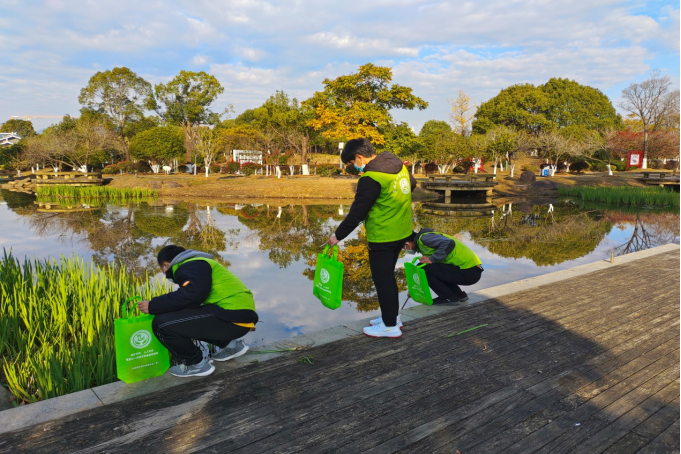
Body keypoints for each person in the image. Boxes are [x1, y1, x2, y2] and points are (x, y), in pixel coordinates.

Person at [327, 138, 416, 338]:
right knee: (389, 277)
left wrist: (337, 237)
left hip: (383, 236)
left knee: (382, 280)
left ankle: (389, 327)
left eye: (352, 164)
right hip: (401, 232)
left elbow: (357, 213)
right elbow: (412, 184)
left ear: (359, 157)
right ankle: (392, 317)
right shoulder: (399, 167)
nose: (355, 168)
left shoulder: (371, 178)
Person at [138, 245, 258, 378]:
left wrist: (153, 305)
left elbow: (193, 293)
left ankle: (196, 365)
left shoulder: (190, 264)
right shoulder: (199, 263)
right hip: (236, 317)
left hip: (230, 318)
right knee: (185, 317)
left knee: (161, 324)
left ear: (166, 265)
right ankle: (232, 345)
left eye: (162, 269)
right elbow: (192, 299)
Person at [403, 228, 483, 304]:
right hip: (470, 272)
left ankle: (448, 297)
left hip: (469, 271)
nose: (405, 249)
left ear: (407, 243)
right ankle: (459, 295)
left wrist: (432, 259)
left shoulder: (424, 238)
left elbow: (448, 243)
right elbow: (436, 269)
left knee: (424, 268)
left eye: (404, 247)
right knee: (426, 267)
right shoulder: (422, 244)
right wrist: (413, 288)